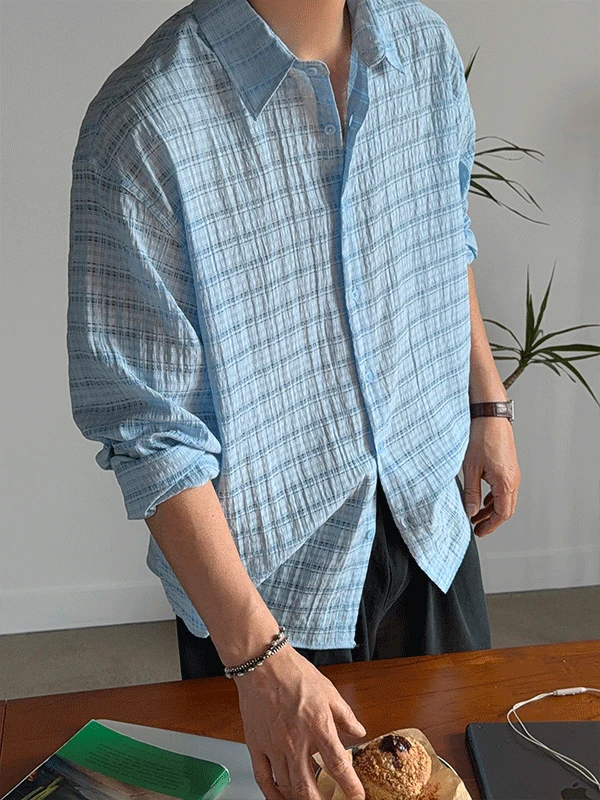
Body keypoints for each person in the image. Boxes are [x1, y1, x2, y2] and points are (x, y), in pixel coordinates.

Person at [66, 0, 521, 798]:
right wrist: (259, 659)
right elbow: (152, 436)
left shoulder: (423, 47)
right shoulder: (143, 125)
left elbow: (445, 234)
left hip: (431, 516)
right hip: (271, 591)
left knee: (456, 779)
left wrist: (488, 405)